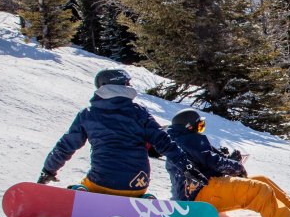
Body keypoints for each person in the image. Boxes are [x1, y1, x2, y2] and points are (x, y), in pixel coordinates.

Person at [38, 68, 193, 196]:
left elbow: (66, 145)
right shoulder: (140, 113)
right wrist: (187, 167)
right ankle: (142, 199)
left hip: (101, 183)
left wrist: (48, 170)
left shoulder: (88, 114)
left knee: (83, 187)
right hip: (138, 183)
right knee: (134, 188)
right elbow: (164, 142)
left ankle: (81, 194)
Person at [166, 108, 290, 217]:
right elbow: (213, 161)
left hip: (206, 187)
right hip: (200, 193)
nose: (201, 129)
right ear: (189, 126)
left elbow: (208, 159)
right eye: (199, 126)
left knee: (261, 179)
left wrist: (229, 160)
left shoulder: (182, 141)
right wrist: (236, 167)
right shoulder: (185, 140)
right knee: (259, 189)